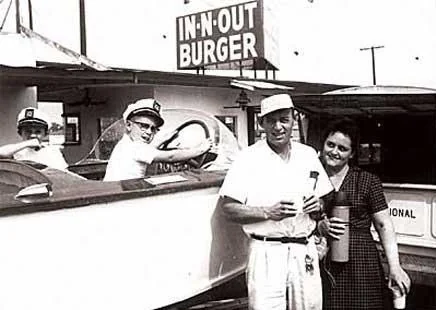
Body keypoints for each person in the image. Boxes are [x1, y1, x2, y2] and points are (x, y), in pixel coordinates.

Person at [219, 94, 333, 310]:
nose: (278, 127)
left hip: (304, 249)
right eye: (271, 120)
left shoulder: (307, 155)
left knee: (309, 307)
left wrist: (318, 206)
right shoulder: (247, 158)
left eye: (284, 119)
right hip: (266, 251)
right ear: (261, 123)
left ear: (294, 119)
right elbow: (228, 209)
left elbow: (323, 202)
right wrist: (267, 212)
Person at [317, 118, 411, 310]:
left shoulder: (367, 181)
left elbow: (384, 225)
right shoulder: (312, 178)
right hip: (321, 258)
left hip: (361, 259)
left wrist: (395, 267)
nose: (334, 151)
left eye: (342, 148)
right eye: (330, 145)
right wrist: (320, 227)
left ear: (351, 154)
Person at [103, 98, 212, 181]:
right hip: (122, 199)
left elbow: (149, 148)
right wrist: (200, 150)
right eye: (144, 126)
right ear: (128, 125)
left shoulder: (127, 143)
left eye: (153, 128)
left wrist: (165, 139)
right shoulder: (135, 147)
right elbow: (170, 157)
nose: (149, 132)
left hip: (121, 192)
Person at [0, 107, 68, 170]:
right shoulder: (16, 152)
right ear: (20, 133)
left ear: (45, 134)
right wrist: (27, 143)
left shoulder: (53, 153)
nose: (32, 135)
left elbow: (64, 175)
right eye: (28, 131)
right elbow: (1, 153)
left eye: (38, 132)